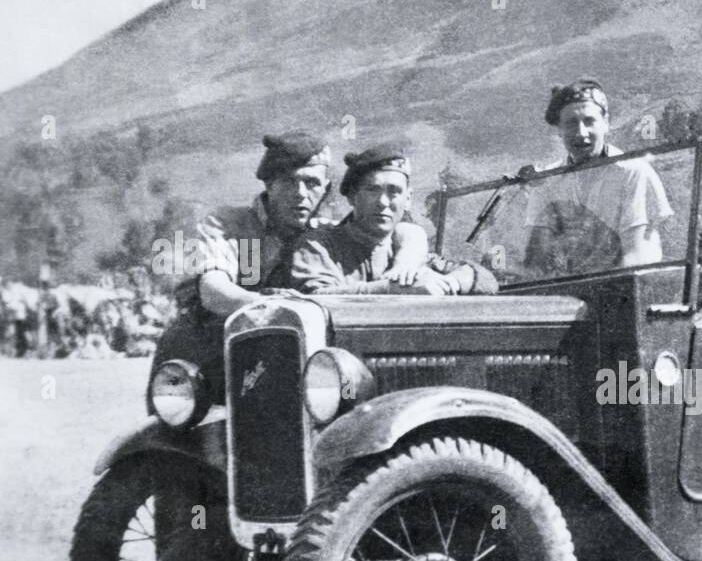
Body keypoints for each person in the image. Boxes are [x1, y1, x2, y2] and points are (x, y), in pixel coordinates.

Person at [154, 131, 430, 399]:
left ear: (325, 189)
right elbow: (215, 293)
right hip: (206, 350)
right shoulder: (231, 225)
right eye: (289, 181)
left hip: (279, 353)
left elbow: (403, 231)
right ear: (269, 184)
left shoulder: (324, 233)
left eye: (311, 183)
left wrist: (403, 265)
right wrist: (276, 308)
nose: (300, 194)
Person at [290, 143, 498, 296]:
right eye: (372, 190)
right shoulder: (319, 245)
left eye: (394, 192)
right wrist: (392, 289)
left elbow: (485, 279)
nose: (383, 202)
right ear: (353, 197)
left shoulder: (406, 250)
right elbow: (316, 296)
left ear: (407, 200)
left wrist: (448, 283)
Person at [522, 79, 673, 276]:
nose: (581, 133)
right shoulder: (548, 181)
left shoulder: (632, 172)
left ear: (605, 123)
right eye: (570, 124)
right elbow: (536, 261)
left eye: (589, 121)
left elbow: (637, 255)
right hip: (576, 293)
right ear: (559, 130)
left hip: (630, 289)